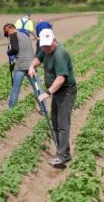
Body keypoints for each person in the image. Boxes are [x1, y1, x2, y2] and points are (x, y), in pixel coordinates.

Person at [28, 29, 77, 167]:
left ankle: (62, 155)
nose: (46, 48)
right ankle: (64, 152)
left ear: (54, 41)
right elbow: (38, 58)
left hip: (66, 92)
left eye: (48, 46)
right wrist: (32, 66)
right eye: (43, 46)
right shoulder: (46, 49)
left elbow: (61, 78)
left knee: (62, 124)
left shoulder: (60, 54)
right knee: (55, 123)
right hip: (57, 92)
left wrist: (47, 92)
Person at [3, 23, 45, 113]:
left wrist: (9, 52)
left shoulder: (13, 35)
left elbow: (15, 49)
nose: (8, 35)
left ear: (10, 29)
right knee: (37, 88)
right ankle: (44, 109)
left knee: (15, 89)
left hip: (20, 65)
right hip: (31, 65)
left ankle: (11, 110)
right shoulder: (25, 35)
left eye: (7, 33)